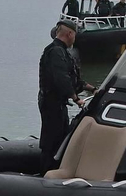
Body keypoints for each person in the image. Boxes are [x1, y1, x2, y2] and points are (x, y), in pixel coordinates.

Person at [37, 20, 93, 169]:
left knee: (61, 134)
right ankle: (46, 171)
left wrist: (93, 89)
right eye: (74, 35)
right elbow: (61, 78)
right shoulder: (55, 51)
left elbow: (74, 79)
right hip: (51, 102)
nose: (75, 39)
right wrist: (76, 99)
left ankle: (55, 168)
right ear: (69, 33)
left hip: (58, 103)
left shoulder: (63, 52)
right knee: (52, 138)